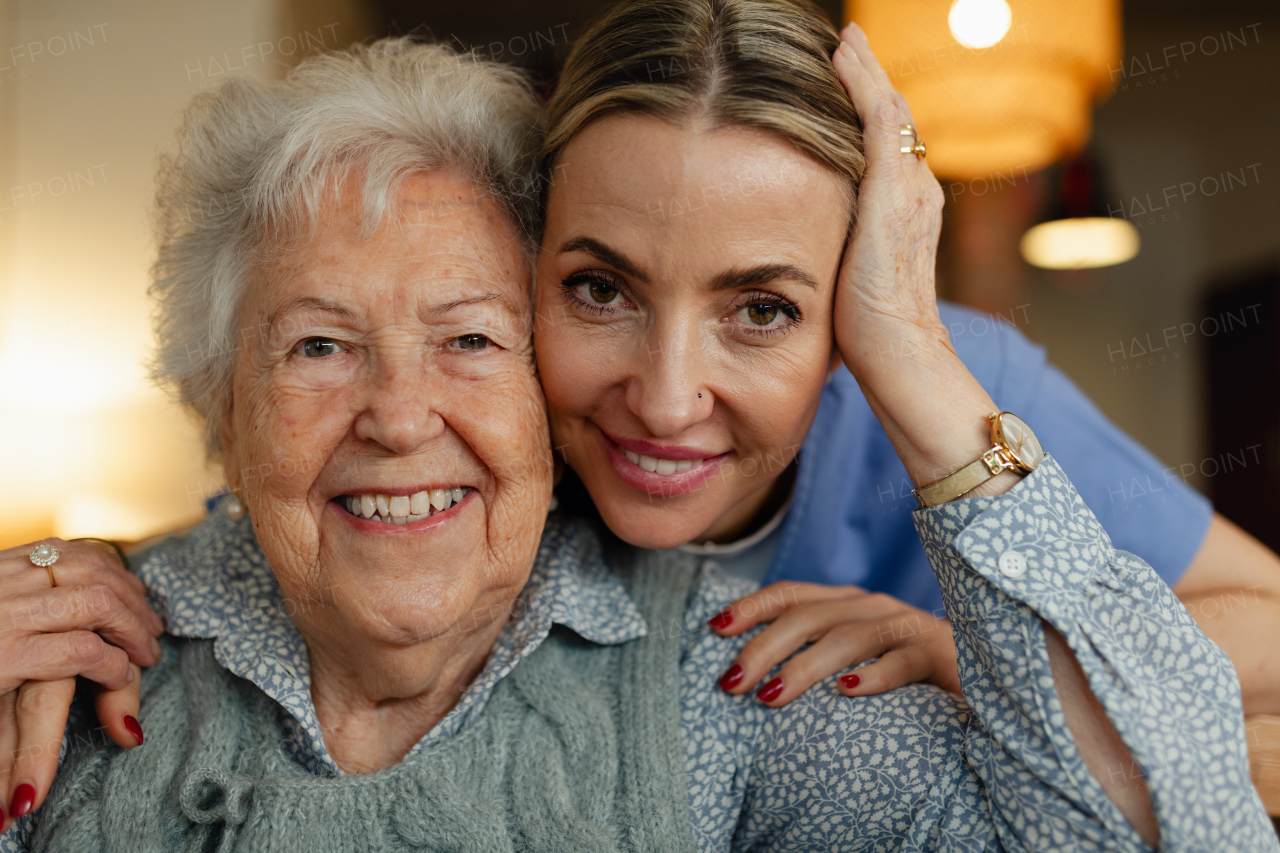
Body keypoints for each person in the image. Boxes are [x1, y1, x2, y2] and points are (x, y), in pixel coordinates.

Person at [1, 32, 1276, 853]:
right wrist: (86, 574)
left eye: (467, 340)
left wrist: (973, 655)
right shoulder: (137, 639)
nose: (665, 400)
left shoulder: (757, 652)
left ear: (846, 325)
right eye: (600, 290)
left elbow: (1181, 809)